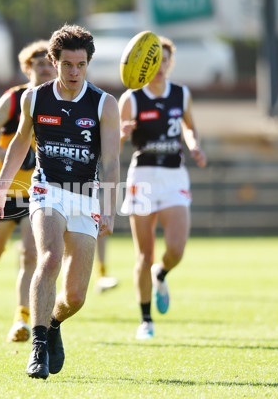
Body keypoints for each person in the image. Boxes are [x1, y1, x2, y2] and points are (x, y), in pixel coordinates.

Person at [0, 24, 120, 379]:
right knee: (49, 256)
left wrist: (109, 208)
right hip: (46, 190)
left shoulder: (104, 103)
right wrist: (0, 188)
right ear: (53, 61)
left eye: (81, 65)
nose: (74, 72)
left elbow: (113, 160)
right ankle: (37, 345)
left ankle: (53, 324)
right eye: (67, 64)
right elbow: (20, 143)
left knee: (75, 297)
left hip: (85, 194)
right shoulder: (34, 98)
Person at [118, 36, 207, 339]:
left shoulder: (181, 94)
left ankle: (162, 273)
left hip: (173, 176)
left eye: (165, 61)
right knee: (144, 254)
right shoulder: (131, 98)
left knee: (176, 249)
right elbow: (112, 145)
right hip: (142, 178)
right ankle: (146, 320)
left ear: (170, 64)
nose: (160, 67)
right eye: (155, 61)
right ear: (146, 64)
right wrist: (122, 133)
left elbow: (190, 126)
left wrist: (194, 146)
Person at [0, 40, 56, 342]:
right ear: (27, 68)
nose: (46, 67)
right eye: (39, 63)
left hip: (40, 195)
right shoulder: (15, 99)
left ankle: (22, 319)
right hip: (6, 195)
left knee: (30, 256)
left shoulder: (62, 99)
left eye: (49, 62)